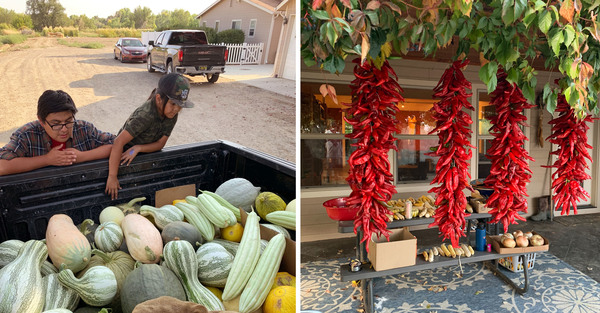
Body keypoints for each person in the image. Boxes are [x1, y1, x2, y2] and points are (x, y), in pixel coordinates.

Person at [105, 73, 194, 200]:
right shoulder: (145, 115)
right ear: (159, 99)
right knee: (104, 151)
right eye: (173, 104)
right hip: (123, 153)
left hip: (141, 152)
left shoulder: (171, 114)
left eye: (180, 105)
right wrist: (112, 176)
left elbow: (161, 143)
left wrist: (138, 148)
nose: (176, 109)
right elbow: (118, 142)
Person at [0, 90, 115, 176]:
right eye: (56, 123)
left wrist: (81, 157)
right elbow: (2, 166)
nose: (64, 129)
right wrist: (47, 160)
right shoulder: (26, 135)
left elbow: (116, 144)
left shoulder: (84, 129)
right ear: (41, 120)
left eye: (69, 121)